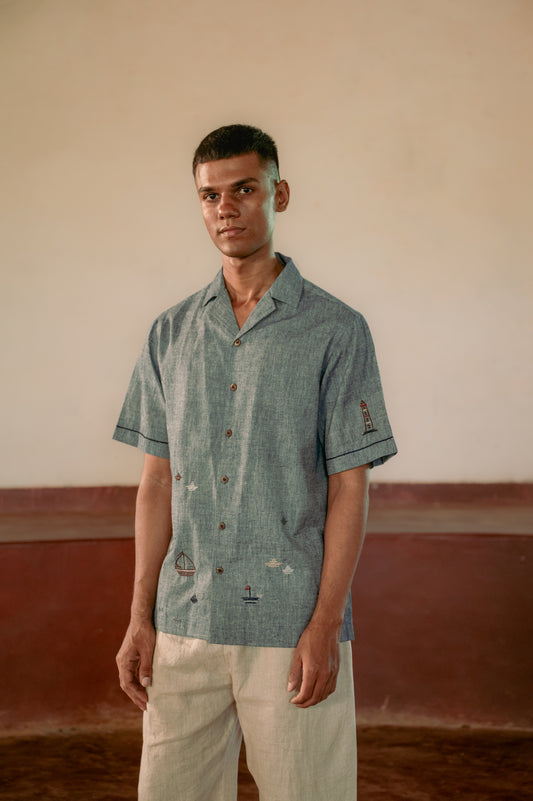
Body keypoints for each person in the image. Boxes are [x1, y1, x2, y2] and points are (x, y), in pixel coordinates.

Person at [114, 123, 397, 801]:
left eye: (244, 189)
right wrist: (139, 616)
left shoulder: (334, 328)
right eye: (210, 195)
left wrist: (326, 623)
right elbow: (156, 484)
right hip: (184, 622)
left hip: (290, 622)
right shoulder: (169, 332)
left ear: (279, 193)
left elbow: (348, 490)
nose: (225, 208)